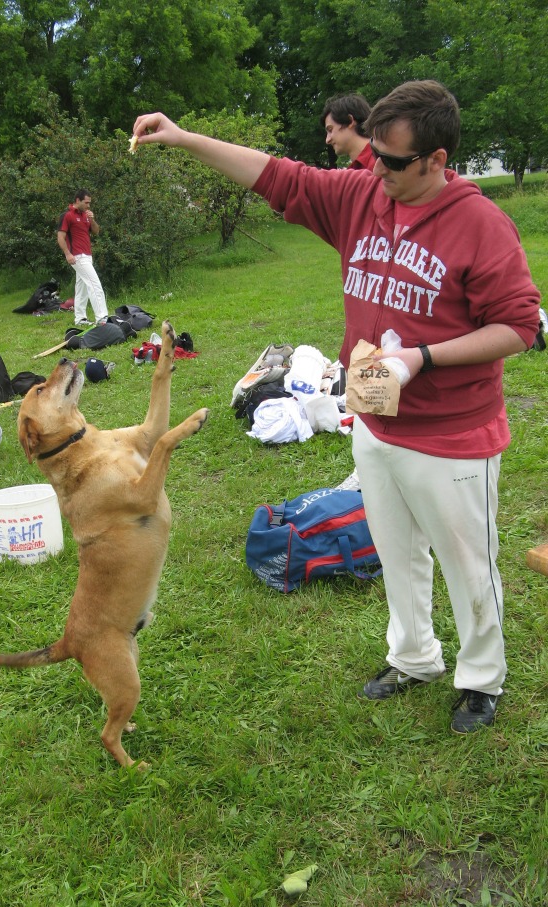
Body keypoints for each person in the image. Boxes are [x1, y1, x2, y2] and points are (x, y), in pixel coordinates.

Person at [132, 80, 540, 734]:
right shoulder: (361, 195)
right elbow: (276, 176)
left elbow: (519, 325)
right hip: (375, 422)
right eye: (372, 152)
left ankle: (481, 677)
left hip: (453, 435)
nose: (375, 169)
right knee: (397, 549)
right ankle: (413, 656)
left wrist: (422, 358)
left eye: (394, 160)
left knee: (469, 565)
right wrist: (183, 139)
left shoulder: (480, 224)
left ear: (436, 159)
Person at [57, 189, 108, 327]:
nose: (88, 206)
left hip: (87, 255)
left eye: (89, 203)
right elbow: (60, 237)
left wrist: (92, 219)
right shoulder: (67, 215)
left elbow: (96, 231)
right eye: (86, 203)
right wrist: (68, 254)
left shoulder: (86, 215)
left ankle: (80, 318)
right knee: (94, 284)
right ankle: (102, 317)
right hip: (77, 256)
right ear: (78, 201)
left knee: (82, 287)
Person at [322, 93, 375, 170]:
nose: (327, 140)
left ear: (350, 121)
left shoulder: (383, 162)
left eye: (330, 130)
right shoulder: (354, 170)